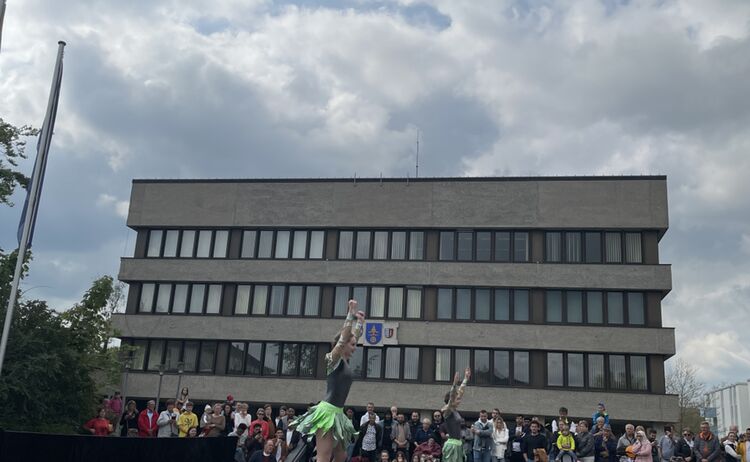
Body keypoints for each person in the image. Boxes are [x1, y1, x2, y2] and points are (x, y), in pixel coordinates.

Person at [289, 299, 365, 462]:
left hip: (338, 414)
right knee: (324, 456)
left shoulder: (345, 360)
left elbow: (353, 337)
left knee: (341, 455)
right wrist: (350, 315)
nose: (354, 347)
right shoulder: (333, 359)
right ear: (342, 345)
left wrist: (360, 322)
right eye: (352, 345)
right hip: (327, 413)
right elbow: (345, 338)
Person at [442, 368, 472, 462]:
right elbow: (452, 397)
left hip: (458, 444)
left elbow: (460, 393)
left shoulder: (454, 411)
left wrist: (465, 379)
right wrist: (454, 384)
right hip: (452, 445)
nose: (459, 400)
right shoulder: (448, 411)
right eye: (457, 399)